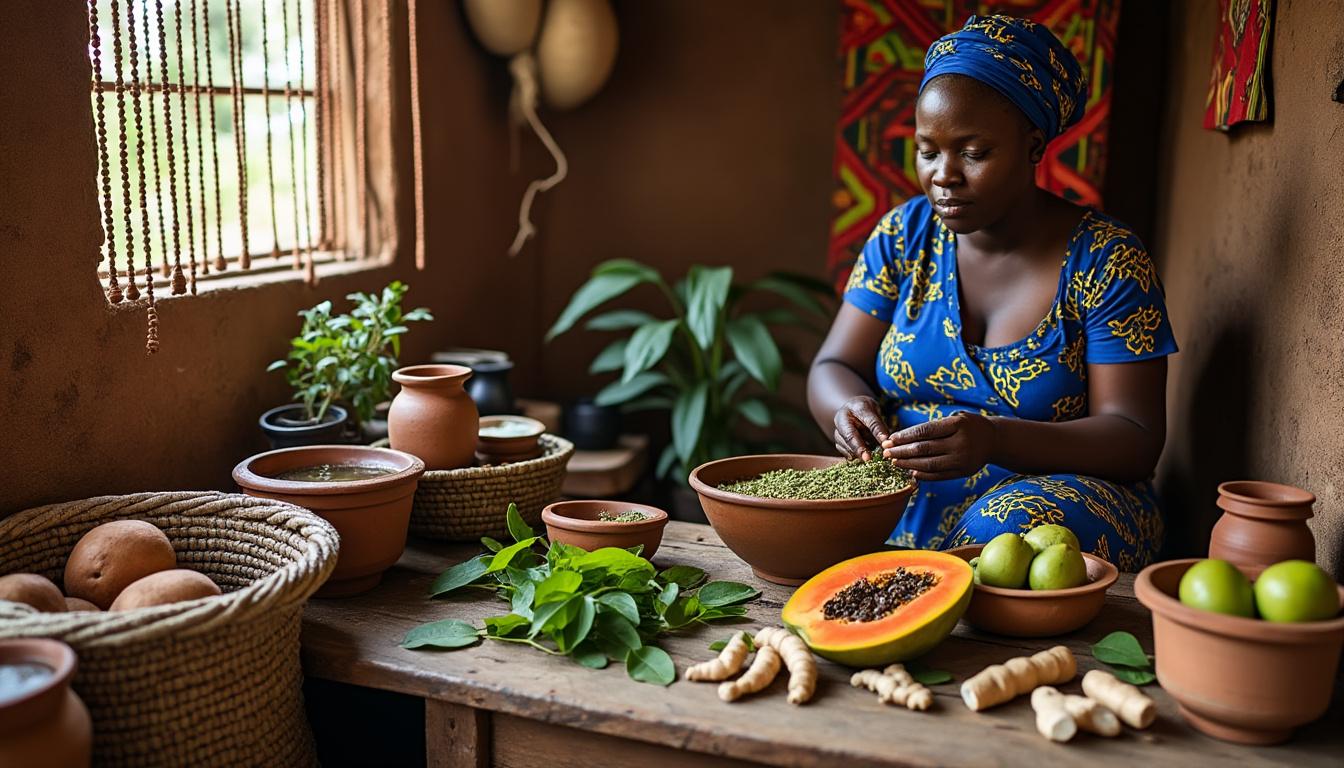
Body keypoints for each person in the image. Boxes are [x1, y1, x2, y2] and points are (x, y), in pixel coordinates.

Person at [806, 15, 1177, 571]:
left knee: (996, 532)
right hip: (907, 497)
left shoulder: (1106, 259)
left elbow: (1135, 436)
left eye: (973, 153)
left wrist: (996, 440)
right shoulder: (904, 235)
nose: (943, 176)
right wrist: (846, 408)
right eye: (927, 150)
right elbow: (833, 363)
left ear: (1033, 147)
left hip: (1059, 507)